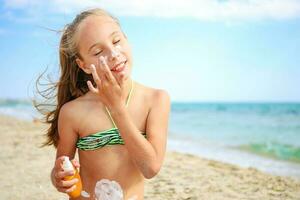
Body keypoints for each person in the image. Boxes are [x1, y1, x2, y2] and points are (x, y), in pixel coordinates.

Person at [35, 8, 170, 200]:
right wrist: (59, 177)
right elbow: (61, 167)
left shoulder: (156, 100)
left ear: (126, 38)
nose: (114, 54)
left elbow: (151, 168)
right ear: (82, 65)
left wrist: (117, 109)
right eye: (98, 52)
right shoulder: (73, 112)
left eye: (116, 41)